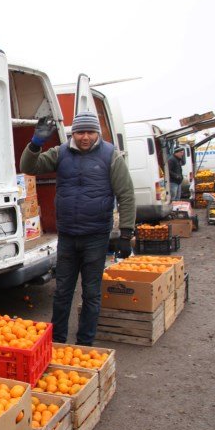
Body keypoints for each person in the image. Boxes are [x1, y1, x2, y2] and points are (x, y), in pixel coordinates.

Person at [19, 111, 135, 346]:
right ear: (74, 133)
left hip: (96, 235)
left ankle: (84, 343)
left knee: (91, 293)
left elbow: (126, 194)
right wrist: (35, 143)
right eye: (81, 132)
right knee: (62, 291)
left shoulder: (110, 155)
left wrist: (126, 232)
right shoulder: (61, 153)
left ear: (97, 133)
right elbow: (28, 167)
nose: (85, 137)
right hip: (68, 236)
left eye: (90, 132)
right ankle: (58, 342)